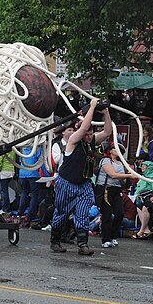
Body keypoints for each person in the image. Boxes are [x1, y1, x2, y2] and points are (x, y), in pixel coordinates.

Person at [49, 98, 111, 255]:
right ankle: (55, 241)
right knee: (62, 213)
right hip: (66, 183)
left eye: (91, 134)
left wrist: (105, 112)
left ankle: (83, 244)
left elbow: (108, 131)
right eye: (87, 134)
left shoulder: (91, 142)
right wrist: (91, 107)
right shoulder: (73, 141)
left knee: (82, 213)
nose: (90, 136)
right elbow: (83, 129)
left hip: (83, 184)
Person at [95, 144, 132, 248]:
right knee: (107, 214)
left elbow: (122, 180)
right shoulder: (106, 161)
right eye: (115, 148)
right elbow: (112, 174)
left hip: (116, 189)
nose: (117, 151)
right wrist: (129, 175)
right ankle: (105, 239)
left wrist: (128, 177)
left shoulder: (121, 163)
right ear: (110, 150)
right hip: (106, 189)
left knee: (119, 213)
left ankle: (113, 236)